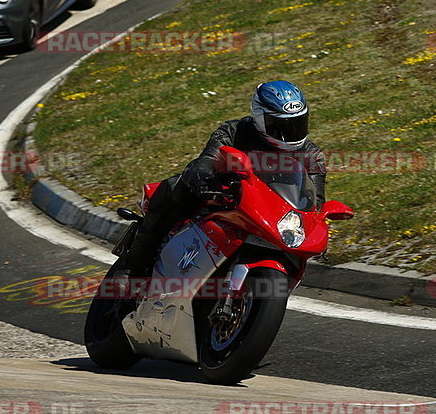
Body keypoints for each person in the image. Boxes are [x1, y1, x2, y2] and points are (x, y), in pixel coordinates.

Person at [121, 80, 327, 277]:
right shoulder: (234, 131)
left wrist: (315, 226)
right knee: (175, 186)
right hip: (225, 197)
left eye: (296, 124)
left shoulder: (311, 155)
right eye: (278, 125)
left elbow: (315, 201)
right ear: (259, 117)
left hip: (272, 218)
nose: (288, 133)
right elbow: (208, 159)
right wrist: (203, 178)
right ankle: (132, 266)